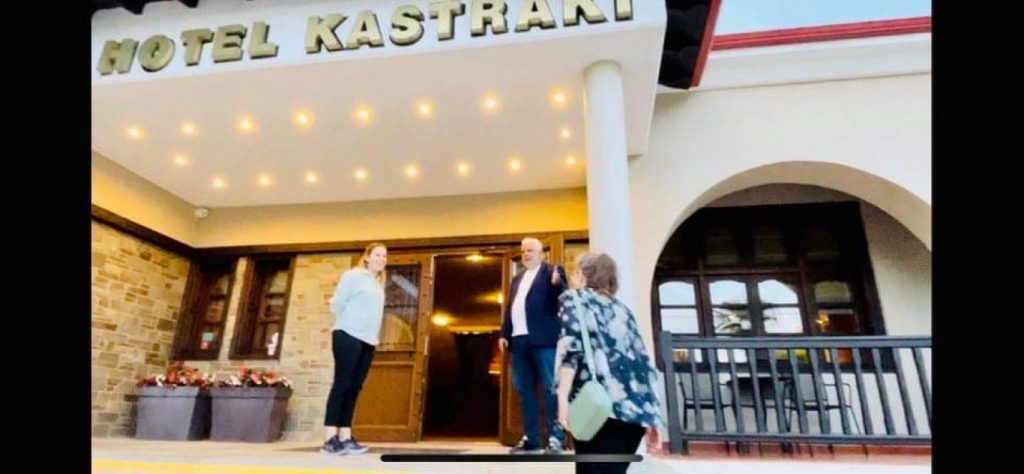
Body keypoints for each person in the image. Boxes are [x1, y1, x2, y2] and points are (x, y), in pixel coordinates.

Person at [555, 252, 663, 473]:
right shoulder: (624, 310)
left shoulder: (573, 299)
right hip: (635, 414)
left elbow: (571, 350)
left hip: (599, 407)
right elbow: (642, 362)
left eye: (575, 272)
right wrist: (653, 417)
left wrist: (562, 399)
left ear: (582, 274)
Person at [499, 237, 568, 454]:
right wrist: (504, 333)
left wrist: (558, 283)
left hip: (545, 340)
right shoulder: (517, 278)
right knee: (524, 390)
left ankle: (556, 438)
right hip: (519, 341)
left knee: (550, 388)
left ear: (541, 254)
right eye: (523, 251)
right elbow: (511, 307)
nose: (526, 254)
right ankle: (531, 439)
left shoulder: (552, 272)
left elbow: (562, 295)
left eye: (530, 250)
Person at [321, 243, 388, 455]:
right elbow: (336, 303)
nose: (382, 259)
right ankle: (330, 438)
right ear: (367, 257)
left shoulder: (378, 283)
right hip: (348, 334)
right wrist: (349, 320)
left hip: (368, 339)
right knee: (342, 384)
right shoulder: (354, 275)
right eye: (378, 255)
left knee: (355, 387)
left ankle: (345, 437)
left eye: (384, 256)